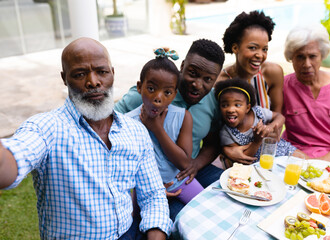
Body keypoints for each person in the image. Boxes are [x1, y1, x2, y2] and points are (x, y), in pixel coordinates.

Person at [0, 38, 172, 239]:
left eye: (102, 72)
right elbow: (11, 162)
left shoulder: (135, 132)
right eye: (80, 74)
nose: (93, 82)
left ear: (112, 73)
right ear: (65, 79)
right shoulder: (46, 129)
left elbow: (153, 196)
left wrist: (156, 234)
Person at [115, 39, 225, 220]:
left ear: (215, 79)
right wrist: (145, 186)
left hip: (190, 168)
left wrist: (195, 165)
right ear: (182, 66)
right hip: (152, 179)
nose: (197, 84)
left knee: (227, 194)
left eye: (207, 79)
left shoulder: (212, 100)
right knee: (182, 220)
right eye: (192, 73)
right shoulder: (144, 99)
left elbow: (213, 143)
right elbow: (107, 133)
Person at [126, 48, 204, 204]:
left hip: (181, 182)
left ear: (174, 94)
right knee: (130, 220)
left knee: (206, 208)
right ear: (140, 87)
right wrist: (152, 188)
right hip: (146, 189)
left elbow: (183, 163)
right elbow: (128, 167)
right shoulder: (128, 123)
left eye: (167, 92)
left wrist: (157, 129)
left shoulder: (183, 117)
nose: (157, 98)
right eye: (151, 89)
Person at [282, 24, 330, 178]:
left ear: (322, 55)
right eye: (300, 57)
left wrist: (323, 162)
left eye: (312, 56)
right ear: (291, 57)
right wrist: (301, 158)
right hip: (296, 156)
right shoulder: (283, 86)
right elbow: (271, 130)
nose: (307, 64)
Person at [217, 11, 285, 163]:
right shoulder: (221, 82)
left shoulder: (272, 73)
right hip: (235, 154)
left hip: (267, 151)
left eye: (264, 49)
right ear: (235, 48)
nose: (260, 55)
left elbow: (277, 115)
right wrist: (228, 150)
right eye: (253, 48)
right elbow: (215, 129)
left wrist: (271, 133)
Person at [214, 78, 303, 168]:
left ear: (247, 108)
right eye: (224, 105)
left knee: (306, 162)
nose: (230, 110)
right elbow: (244, 159)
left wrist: (270, 127)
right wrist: (257, 141)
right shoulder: (226, 133)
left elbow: (280, 117)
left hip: (280, 148)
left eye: (237, 105)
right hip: (258, 163)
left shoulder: (258, 113)